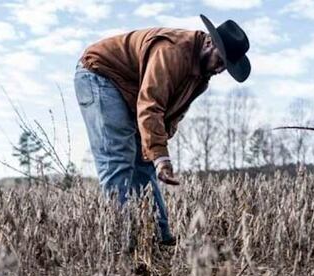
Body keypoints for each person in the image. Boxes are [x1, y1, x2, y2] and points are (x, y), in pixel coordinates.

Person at [74, 15, 251, 246]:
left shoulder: (200, 78)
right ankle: (119, 244)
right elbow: (151, 105)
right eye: (221, 60)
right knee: (118, 157)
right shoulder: (172, 51)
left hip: (132, 90)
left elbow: (171, 114)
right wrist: (161, 155)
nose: (220, 69)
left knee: (145, 162)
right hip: (100, 75)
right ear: (210, 44)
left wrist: (156, 153)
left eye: (226, 67)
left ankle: (160, 237)